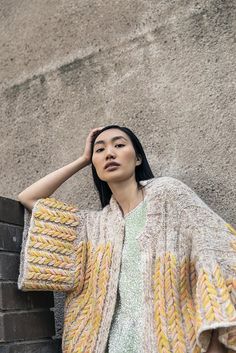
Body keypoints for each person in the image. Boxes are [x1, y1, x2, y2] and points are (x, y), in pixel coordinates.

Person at [17, 124, 236, 353]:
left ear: (138, 158)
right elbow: (29, 197)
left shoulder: (168, 194)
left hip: (174, 343)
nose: (110, 153)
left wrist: (214, 336)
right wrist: (83, 159)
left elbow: (219, 251)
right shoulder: (95, 227)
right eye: (100, 150)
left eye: (119, 145)